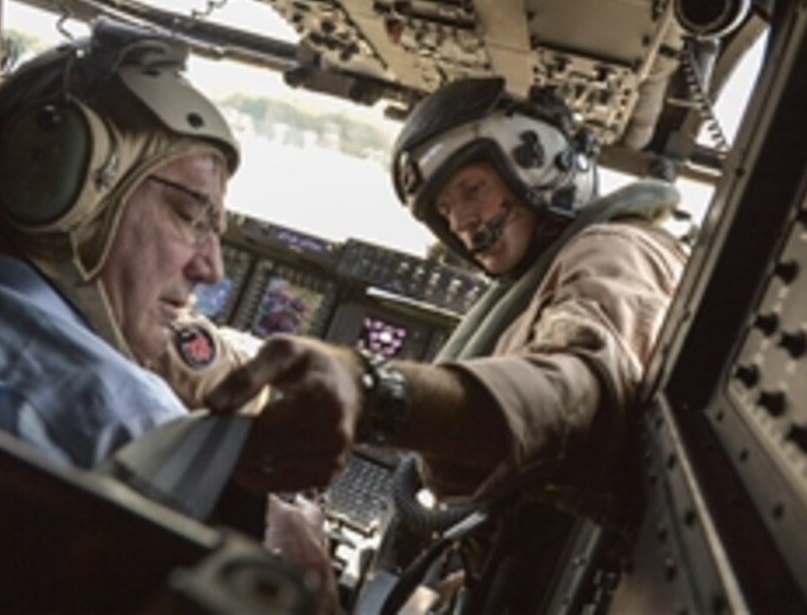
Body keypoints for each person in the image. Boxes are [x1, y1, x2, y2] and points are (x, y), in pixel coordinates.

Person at [0, 19, 338, 609]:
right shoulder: (128, 427)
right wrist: (289, 540)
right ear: (66, 188)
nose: (212, 269)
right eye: (190, 215)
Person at [204, 77, 689, 608]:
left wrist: (378, 392)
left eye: (472, 189)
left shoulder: (617, 248)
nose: (460, 222)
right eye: (445, 207)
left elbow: (580, 385)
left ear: (541, 163)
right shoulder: (536, 287)